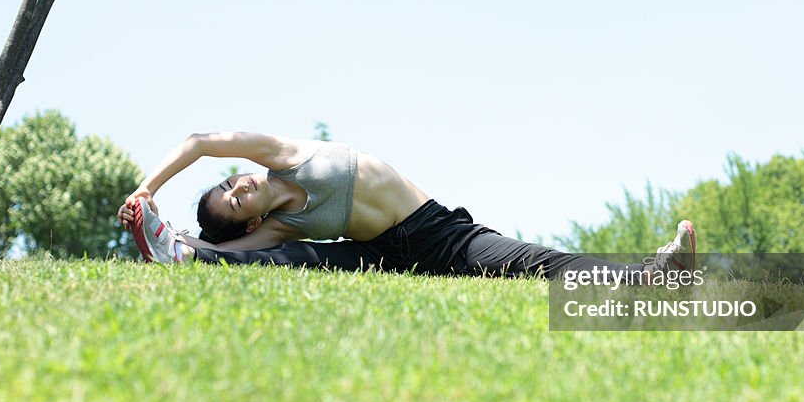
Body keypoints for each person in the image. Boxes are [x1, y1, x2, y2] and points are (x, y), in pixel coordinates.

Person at [116, 132, 695, 280]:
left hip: (436, 234)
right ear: (253, 220)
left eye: (230, 184)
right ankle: (177, 259)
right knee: (298, 258)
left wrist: (147, 190)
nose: (239, 188)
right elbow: (233, 253)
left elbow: (199, 141)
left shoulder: (281, 154)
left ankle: (655, 272)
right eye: (235, 202)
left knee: (535, 263)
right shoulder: (278, 228)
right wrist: (170, 239)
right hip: (378, 254)